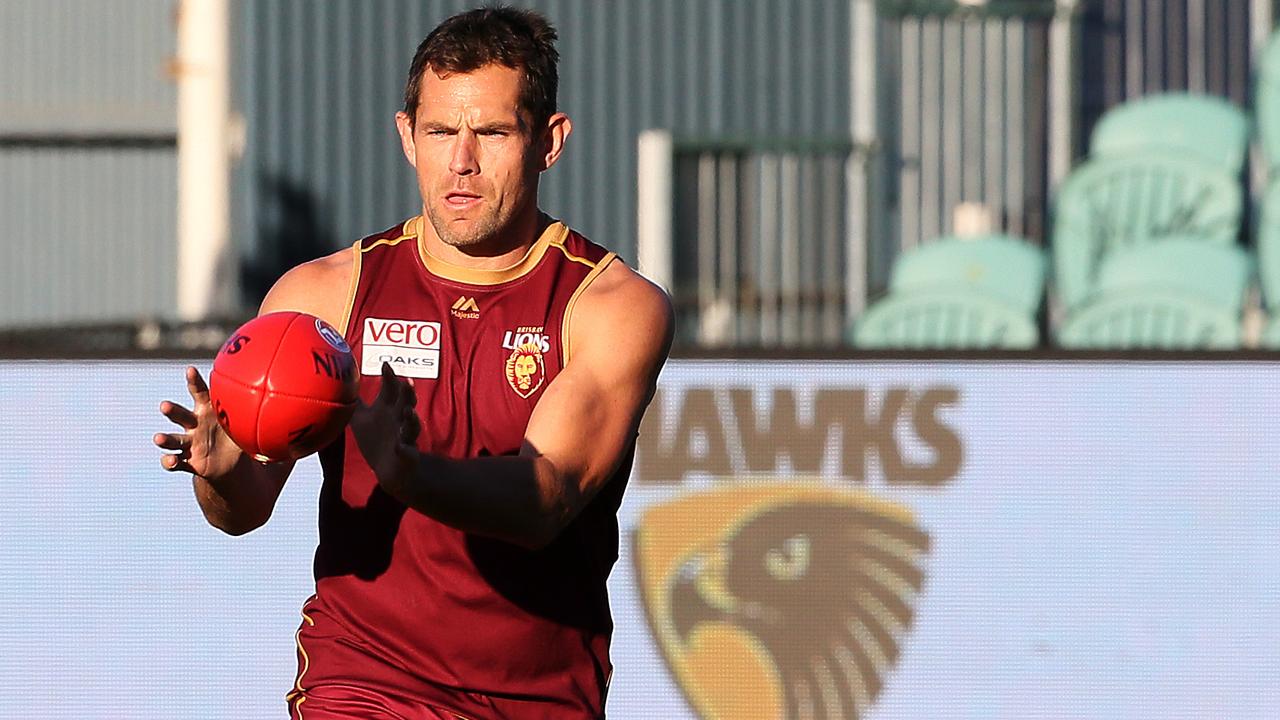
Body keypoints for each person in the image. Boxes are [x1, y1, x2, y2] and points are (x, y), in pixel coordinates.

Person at [153, 7, 673, 719]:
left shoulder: (611, 305)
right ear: (406, 136)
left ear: (549, 142)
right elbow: (245, 509)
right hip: (364, 679)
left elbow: (543, 500)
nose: (461, 161)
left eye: (490, 132)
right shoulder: (323, 297)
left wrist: (407, 474)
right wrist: (220, 477)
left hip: (540, 698)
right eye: (438, 132)